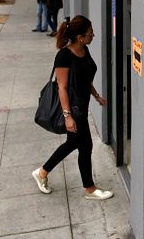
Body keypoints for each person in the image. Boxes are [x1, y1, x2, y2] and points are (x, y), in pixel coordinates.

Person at [32, 15, 113, 200]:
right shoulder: (64, 56)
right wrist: (67, 116)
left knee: (75, 144)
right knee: (84, 145)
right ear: (80, 37)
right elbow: (61, 87)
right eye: (90, 33)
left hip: (82, 106)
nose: (93, 35)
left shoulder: (84, 50)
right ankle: (89, 189)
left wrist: (97, 96)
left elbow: (85, 79)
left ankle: (43, 172)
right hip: (73, 108)